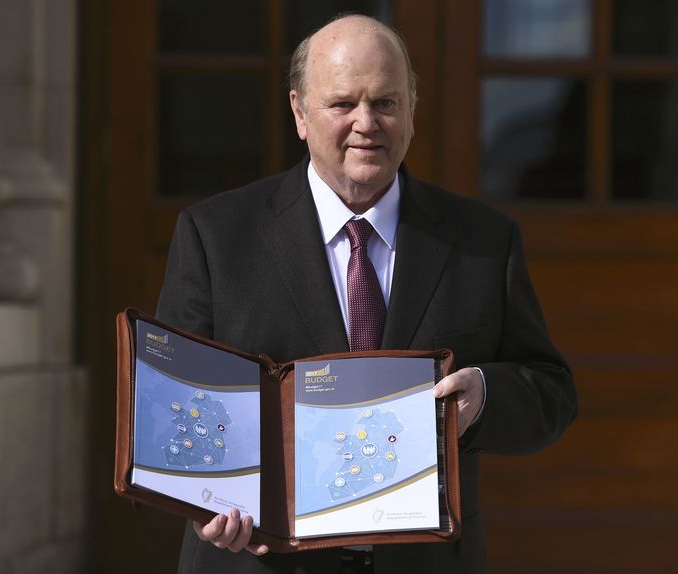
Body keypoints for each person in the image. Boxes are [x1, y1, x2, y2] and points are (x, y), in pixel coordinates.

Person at [156, 14, 577, 574]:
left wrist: (483, 395)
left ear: (411, 110)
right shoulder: (215, 236)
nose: (366, 123)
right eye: (342, 104)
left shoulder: (483, 242)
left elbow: (551, 395)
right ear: (300, 114)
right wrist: (202, 501)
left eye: (385, 102)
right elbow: (169, 408)